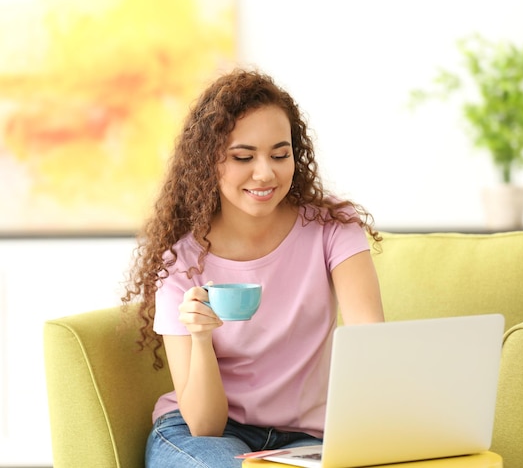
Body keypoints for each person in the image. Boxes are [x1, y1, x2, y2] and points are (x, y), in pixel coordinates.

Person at [122, 68, 385, 468]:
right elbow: (204, 424)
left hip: (308, 437)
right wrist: (201, 338)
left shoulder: (332, 228)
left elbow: (372, 340)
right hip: (207, 435)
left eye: (280, 154)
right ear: (208, 163)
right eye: (243, 157)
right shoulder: (181, 261)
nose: (266, 173)